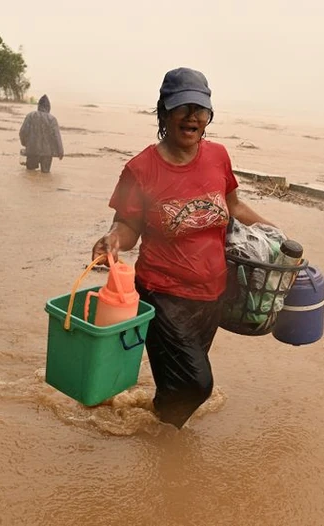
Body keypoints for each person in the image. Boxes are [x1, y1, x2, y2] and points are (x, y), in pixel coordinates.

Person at [91, 67, 275, 429]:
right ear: (164, 112)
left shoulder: (218, 156)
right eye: (182, 107)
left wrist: (276, 235)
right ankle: (162, 442)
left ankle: (155, 432)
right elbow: (128, 227)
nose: (192, 116)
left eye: (200, 109)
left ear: (208, 116)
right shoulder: (140, 169)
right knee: (197, 384)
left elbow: (234, 207)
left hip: (212, 295)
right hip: (163, 297)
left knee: (178, 386)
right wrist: (112, 240)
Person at [19, 95, 64, 174]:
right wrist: (60, 151)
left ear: (38, 106)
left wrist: (25, 144)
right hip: (47, 153)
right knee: (45, 175)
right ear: (48, 107)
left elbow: (22, 132)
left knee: (30, 174)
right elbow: (57, 137)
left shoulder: (30, 116)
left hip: (32, 150)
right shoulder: (52, 119)